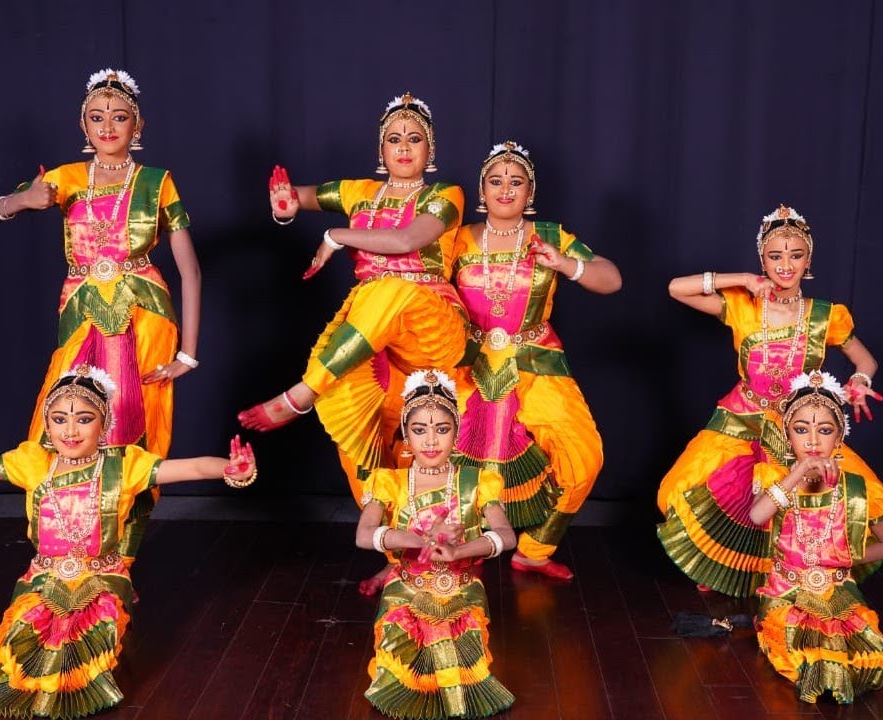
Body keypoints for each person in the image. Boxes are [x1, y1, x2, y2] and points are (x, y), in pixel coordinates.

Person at [0, 366, 256, 720]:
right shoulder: (34, 463)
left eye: (84, 419)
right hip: (44, 580)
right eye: (60, 419)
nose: (71, 431)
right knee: (21, 654)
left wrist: (230, 469)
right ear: (47, 425)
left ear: (104, 423)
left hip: (101, 579)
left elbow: (192, 467)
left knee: (80, 651)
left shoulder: (123, 465)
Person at [240, 93, 467, 504]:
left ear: (430, 149)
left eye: (414, 139)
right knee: (348, 407)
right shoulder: (358, 191)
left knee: (390, 288)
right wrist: (285, 206)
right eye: (394, 139)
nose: (403, 147)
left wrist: (336, 235)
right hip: (371, 329)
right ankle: (386, 530)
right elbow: (298, 196)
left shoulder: (446, 194)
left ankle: (300, 396)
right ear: (381, 149)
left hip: (432, 326)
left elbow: (407, 240)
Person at [0, 68, 201, 460]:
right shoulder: (66, 178)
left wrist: (187, 355)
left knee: (136, 408)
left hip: (145, 311)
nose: (107, 127)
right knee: (69, 409)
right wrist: (22, 200)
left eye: (119, 117)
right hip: (82, 307)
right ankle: (69, 498)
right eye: (97, 117)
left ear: (138, 125)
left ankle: (132, 499)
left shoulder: (157, 182)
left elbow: (190, 271)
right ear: (83, 126)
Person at [656, 204, 883, 597]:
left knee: (849, 496)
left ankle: (784, 570)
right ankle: (722, 564)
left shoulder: (824, 315)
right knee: (680, 488)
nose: (785, 265)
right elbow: (676, 288)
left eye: (795, 256)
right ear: (762, 259)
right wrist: (743, 279)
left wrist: (859, 381)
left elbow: (865, 360)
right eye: (775, 256)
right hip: (741, 415)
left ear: (808, 261)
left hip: (797, 427)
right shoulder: (743, 305)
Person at [450, 141, 621, 580]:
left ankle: (534, 550)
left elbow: (611, 279)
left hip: (536, 360)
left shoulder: (550, 235)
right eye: (496, 181)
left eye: (516, 182)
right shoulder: (457, 238)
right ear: (482, 190)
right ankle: (457, 548)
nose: (505, 189)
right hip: (469, 363)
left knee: (583, 456)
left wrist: (565, 264)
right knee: (443, 454)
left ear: (531, 192)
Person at [355, 370, 516, 719]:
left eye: (442, 429)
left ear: (456, 433)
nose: (430, 441)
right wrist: (419, 540)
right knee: (403, 678)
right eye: (419, 430)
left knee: (462, 675)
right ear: (406, 435)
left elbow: (506, 536)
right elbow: (363, 534)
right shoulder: (390, 481)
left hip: (460, 592)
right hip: (406, 593)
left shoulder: (477, 481)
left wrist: (459, 551)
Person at [749, 370, 883, 704]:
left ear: (839, 437)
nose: (813, 442)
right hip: (788, 593)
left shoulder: (856, 489)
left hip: (837, 592)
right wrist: (797, 473)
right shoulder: (776, 478)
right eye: (801, 429)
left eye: (824, 430)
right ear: (787, 434)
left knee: (866, 657)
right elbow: (757, 516)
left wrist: (843, 557)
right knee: (801, 655)